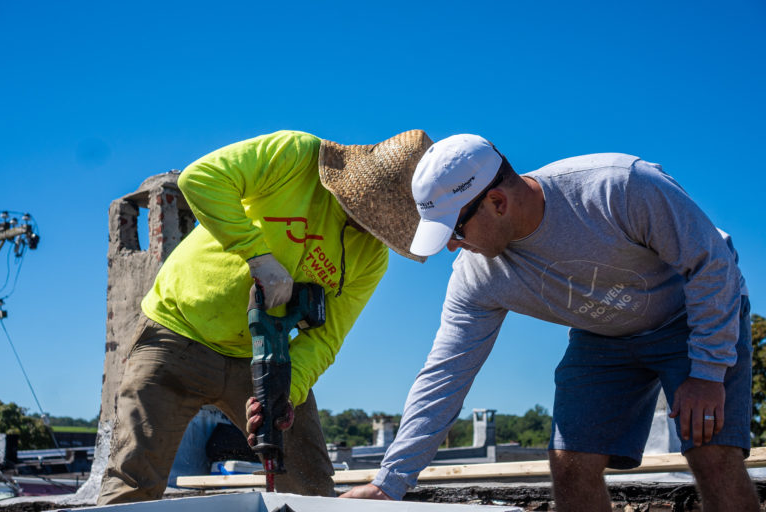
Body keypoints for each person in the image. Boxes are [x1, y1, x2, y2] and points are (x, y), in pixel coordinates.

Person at [340, 134, 758, 511]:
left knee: (712, 453)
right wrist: (388, 483)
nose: (452, 246)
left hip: (692, 315)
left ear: (497, 203)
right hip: (605, 337)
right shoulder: (476, 277)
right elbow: (445, 374)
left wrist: (707, 372)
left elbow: (711, 266)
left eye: (456, 230)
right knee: (570, 462)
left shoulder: (619, 186)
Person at [97, 129, 433, 504]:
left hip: (262, 356)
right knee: (133, 478)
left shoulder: (371, 257)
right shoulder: (297, 155)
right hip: (177, 331)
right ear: (357, 183)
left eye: (386, 222)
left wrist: (282, 395)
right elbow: (200, 179)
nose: (371, 227)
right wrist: (257, 255)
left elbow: (325, 338)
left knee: (310, 482)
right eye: (370, 210)